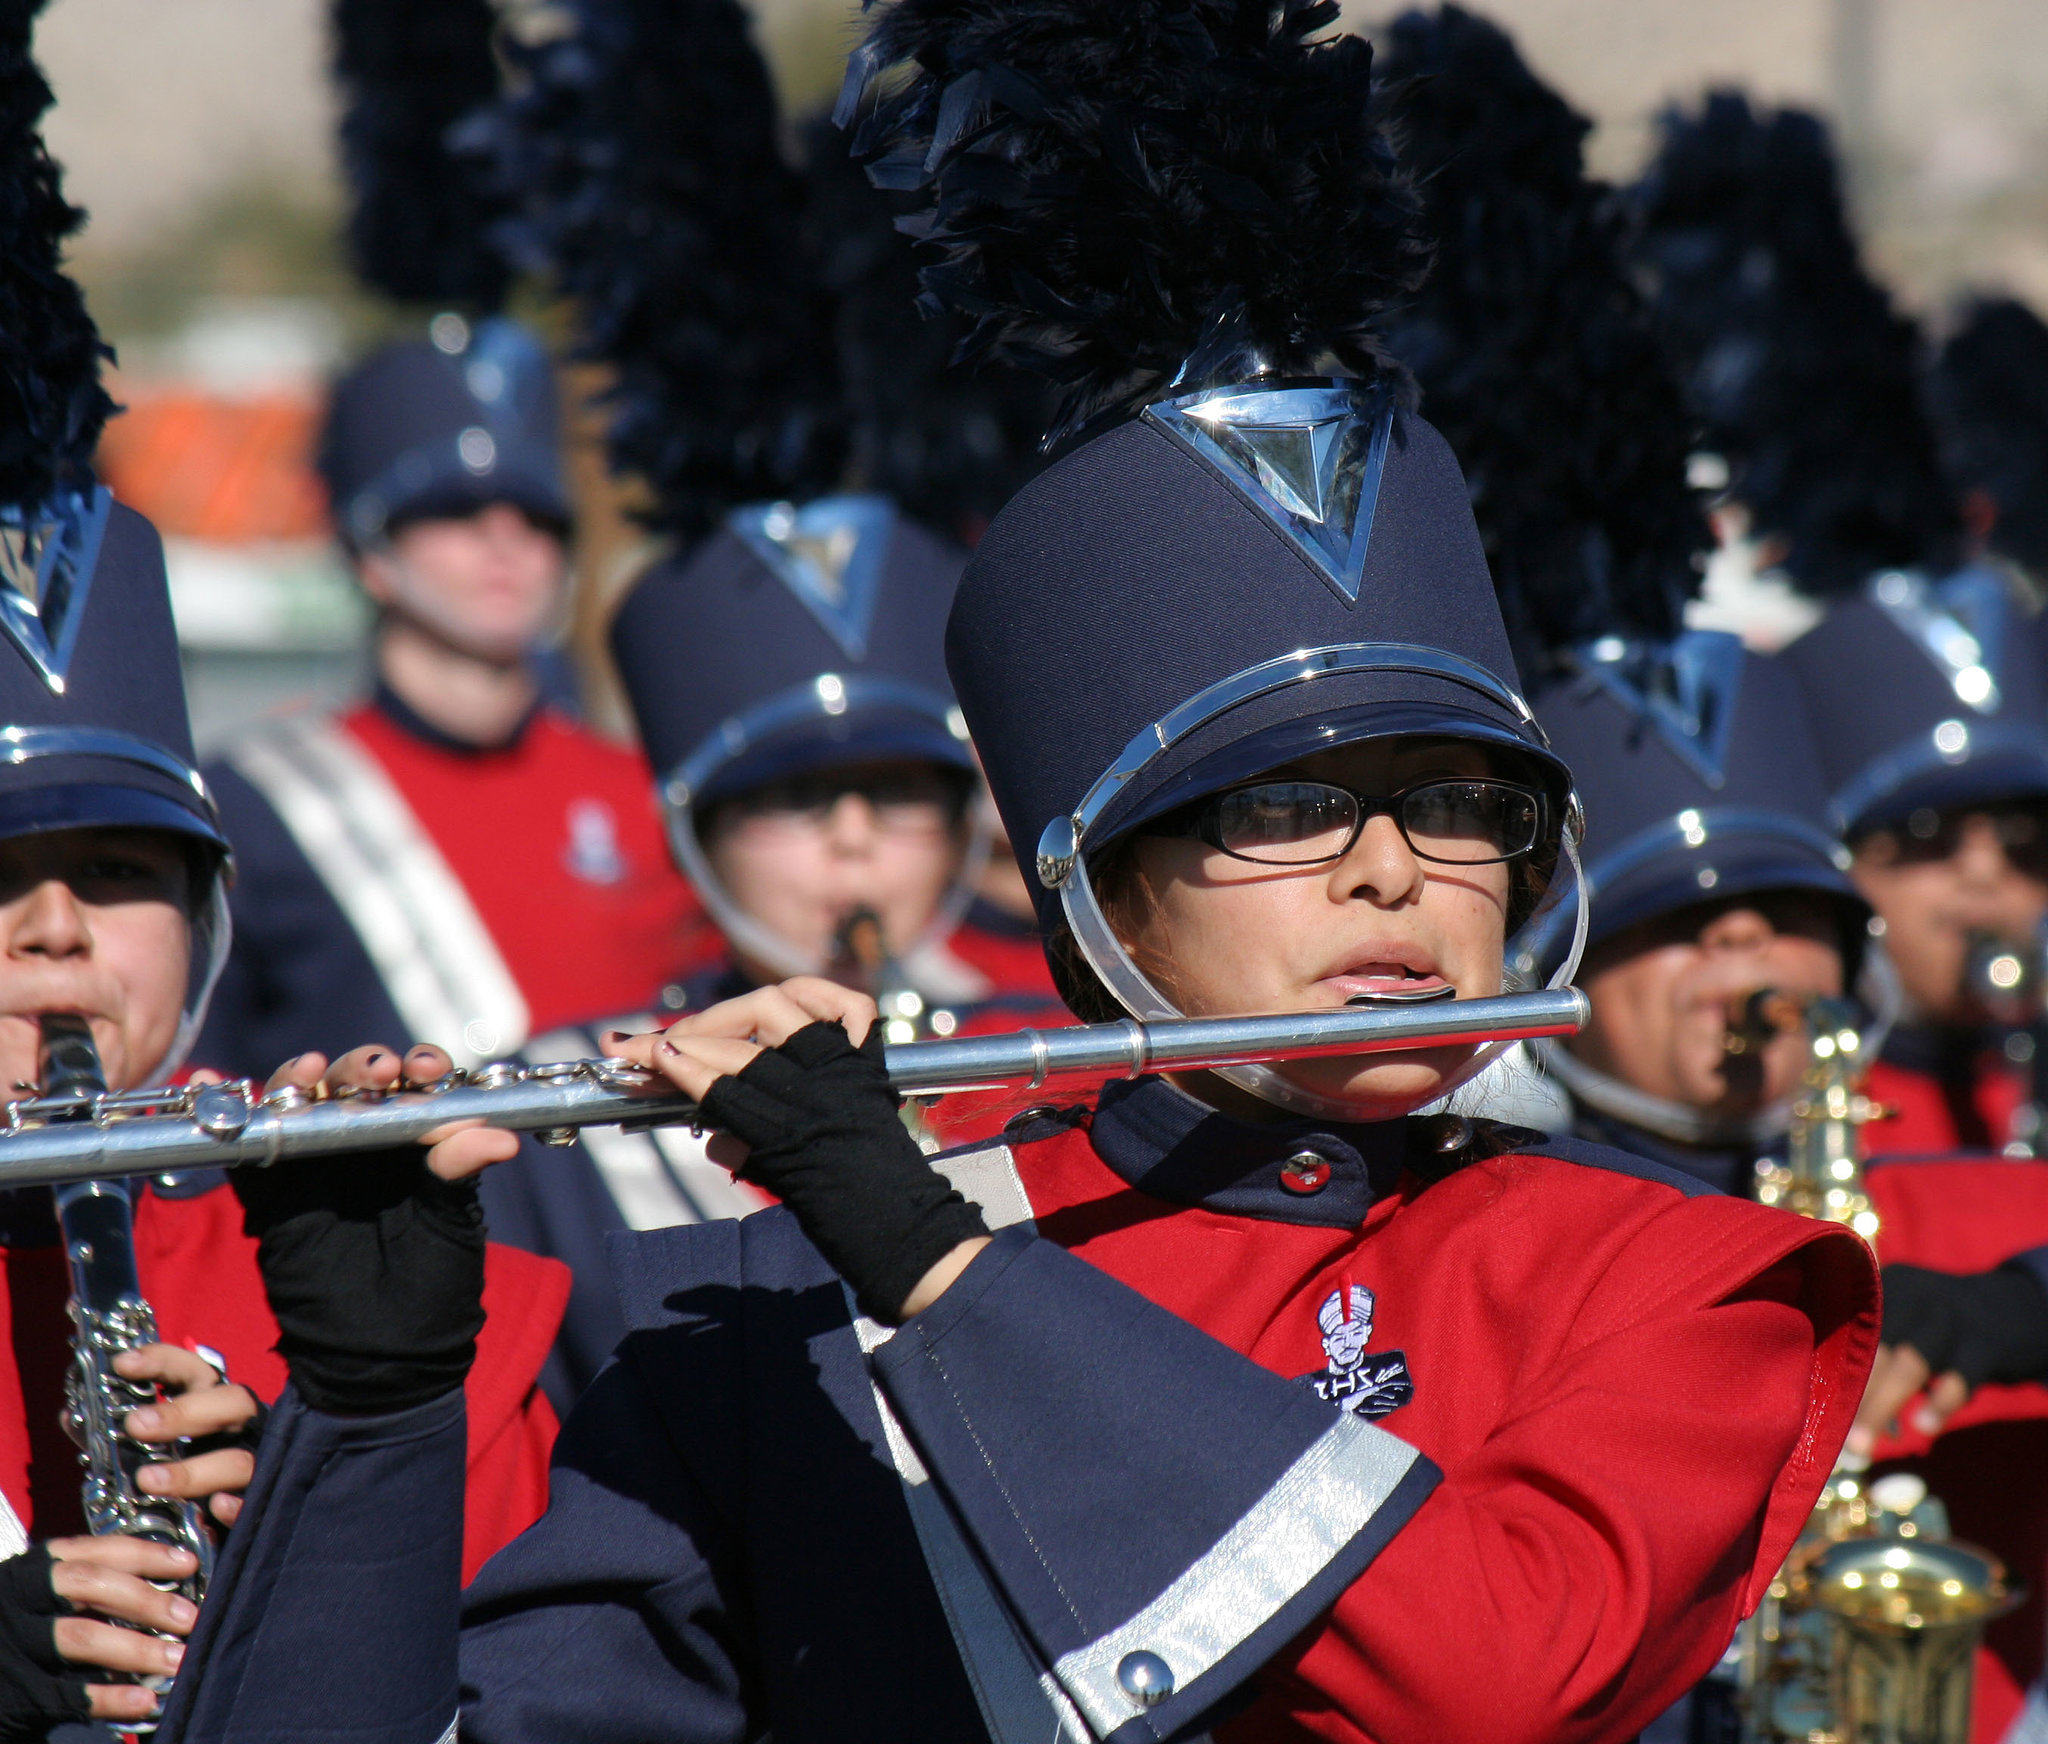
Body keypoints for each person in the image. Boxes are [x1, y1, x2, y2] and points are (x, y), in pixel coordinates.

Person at [157, 3, 1878, 1739]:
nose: (1390, 874)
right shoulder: (767, 1312)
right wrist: (371, 1413)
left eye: (1457, 804)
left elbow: (1490, 1669)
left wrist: (933, 1261)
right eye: (1280, 809)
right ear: (1094, 896)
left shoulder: (1671, 1273)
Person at [194, 315, 709, 1082]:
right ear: (370, 554)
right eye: (454, 511)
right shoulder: (251, 806)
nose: (505, 538)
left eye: (537, 517)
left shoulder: (646, 789)